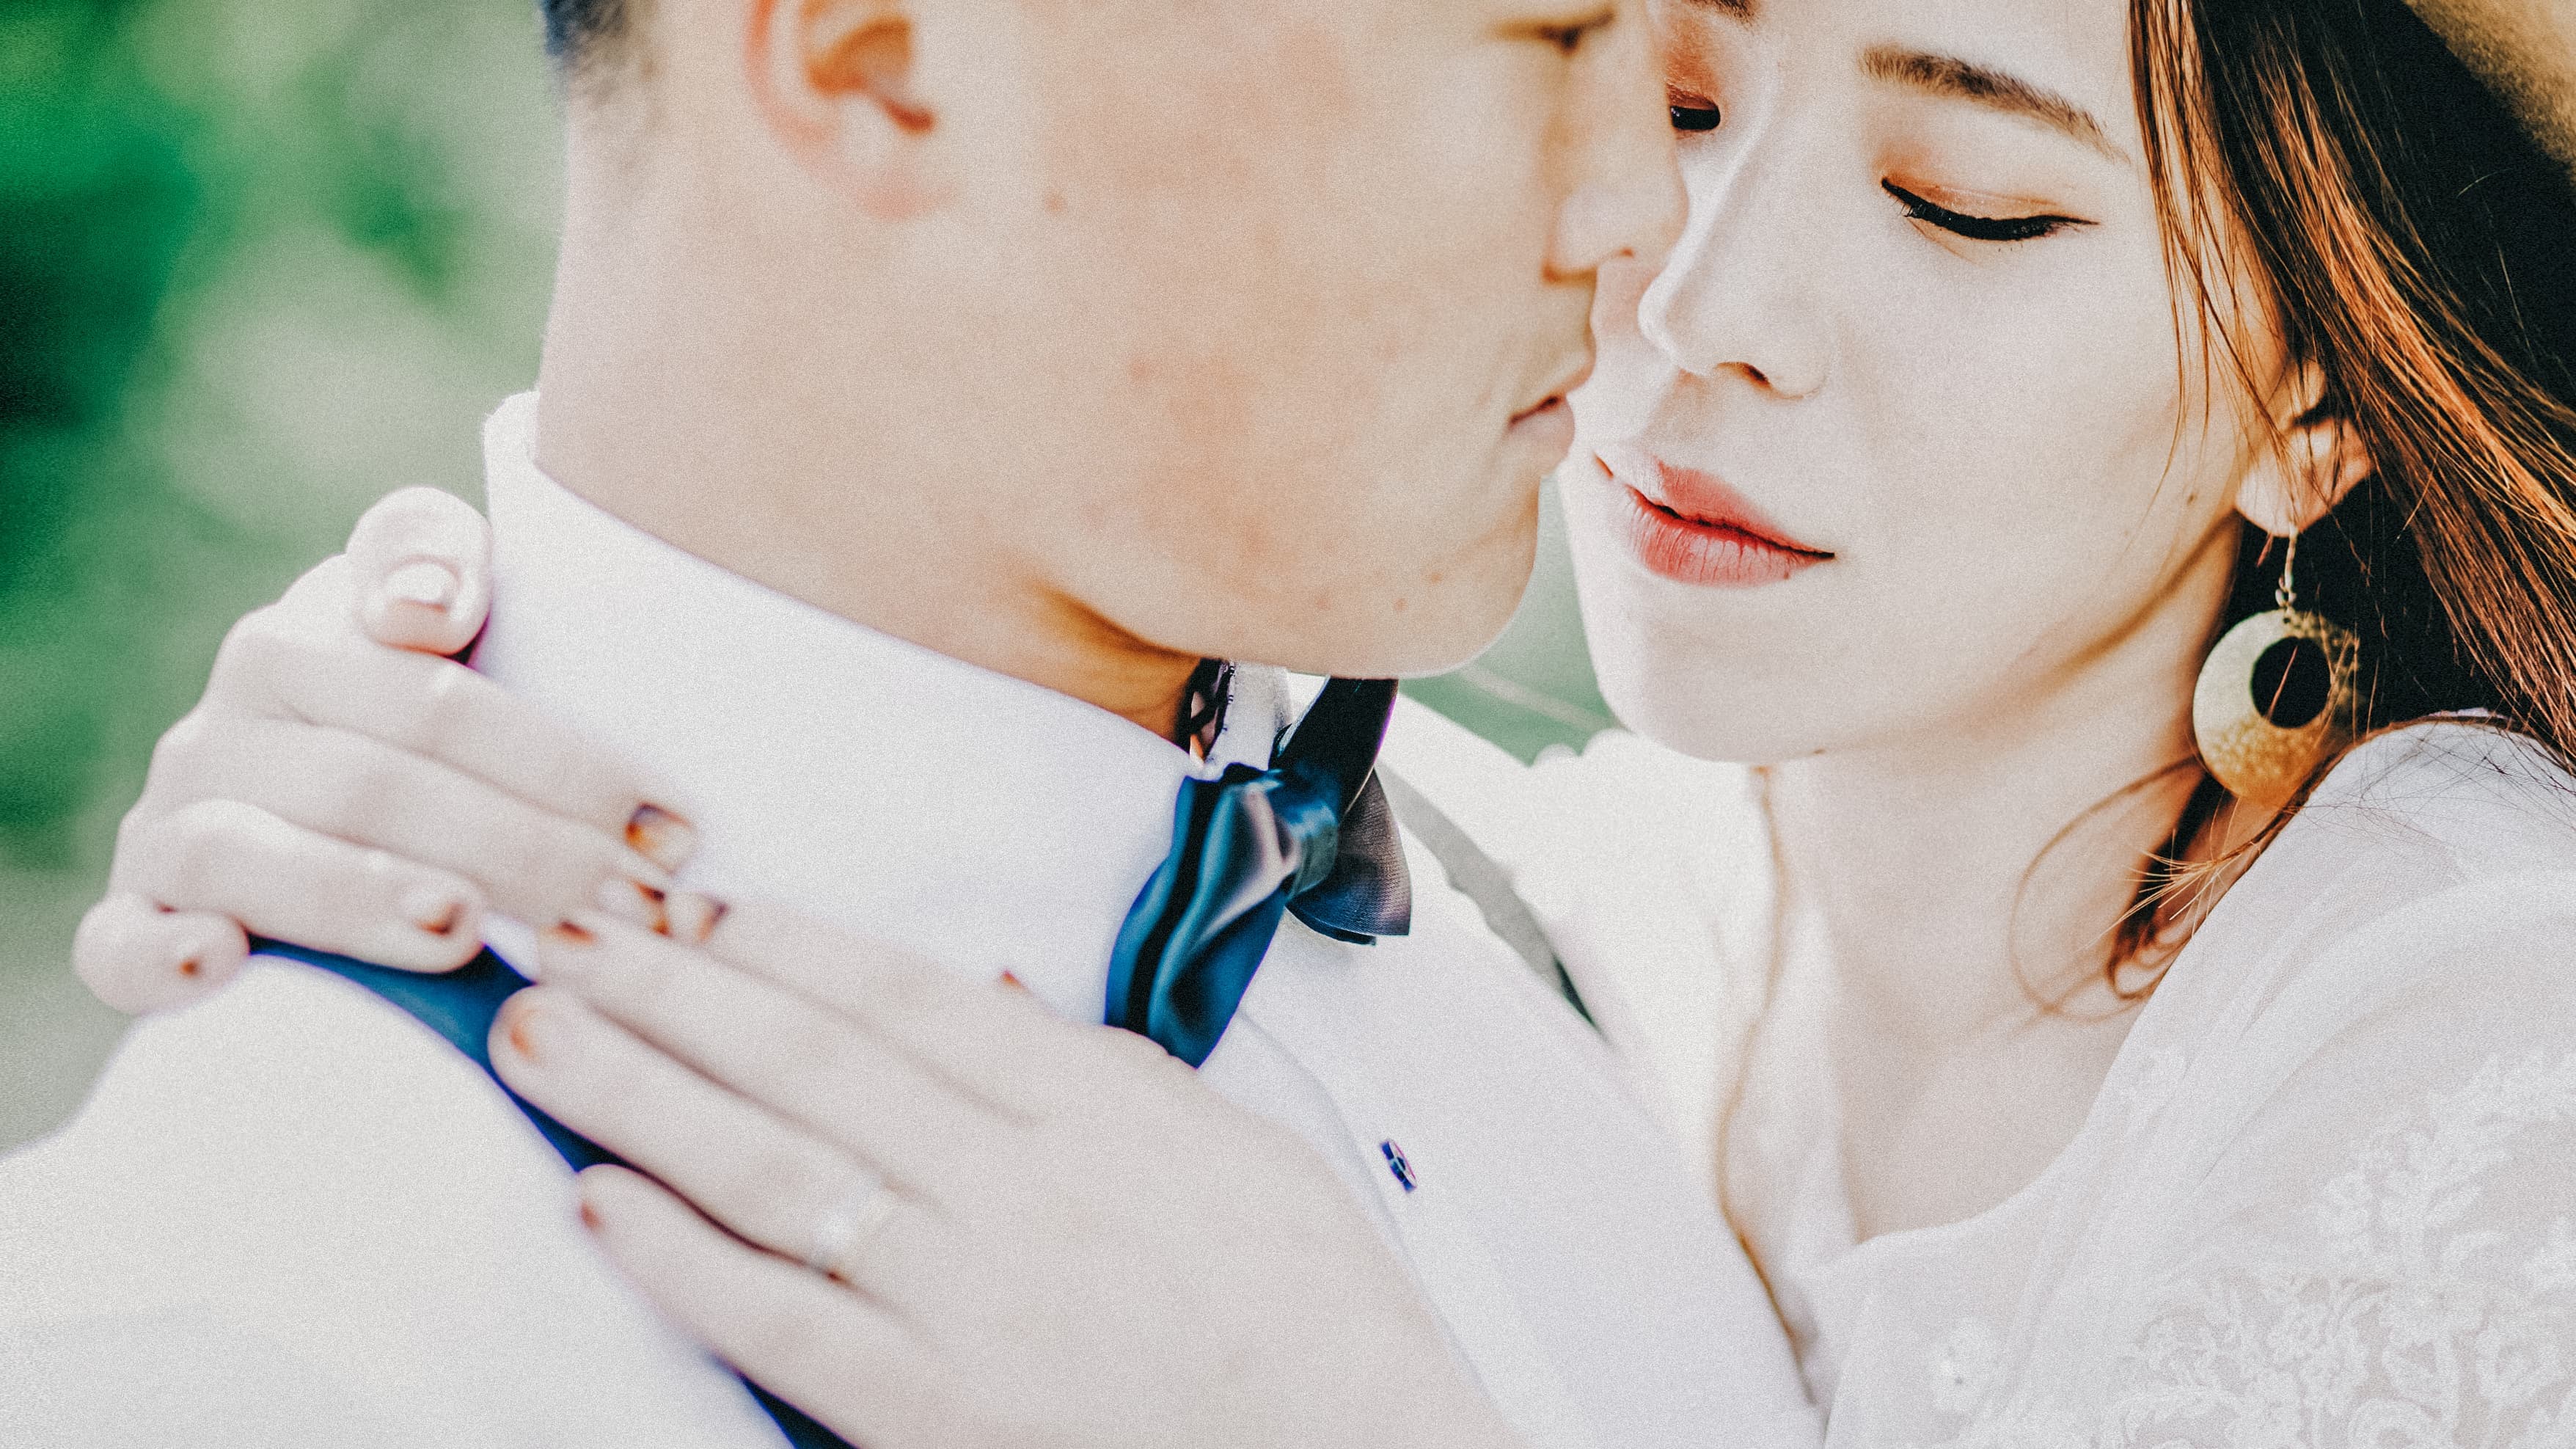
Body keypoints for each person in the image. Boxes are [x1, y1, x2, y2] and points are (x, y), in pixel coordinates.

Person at [54, 0, 2576, 1441]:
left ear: (2319, 389)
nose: (1666, 266)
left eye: (1972, 205)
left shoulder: (1501, 952)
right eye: (1598, 53)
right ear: (876, 50)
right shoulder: (259, 1333)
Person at [0, 1, 1824, 1447]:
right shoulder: (247, 1353)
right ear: (872, 56)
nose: (1644, 207)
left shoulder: (1643, 938)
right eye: (1543, 34)